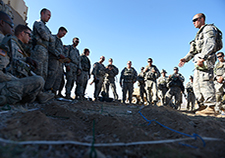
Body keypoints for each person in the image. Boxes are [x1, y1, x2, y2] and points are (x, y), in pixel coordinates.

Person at [0, 19, 53, 105]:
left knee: (38, 80)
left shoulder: (18, 45)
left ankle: (38, 94)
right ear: (22, 33)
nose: (30, 38)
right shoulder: (10, 42)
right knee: (39, 81)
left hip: (12, 81)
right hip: (7, 83)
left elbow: (13, 61)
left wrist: (26, 60)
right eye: (29, 35)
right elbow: (6, 68)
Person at [178, 13, 220, 115]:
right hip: (198, 62)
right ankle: (202, 106)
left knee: (205, 81)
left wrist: (203, 57)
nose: (193, 22)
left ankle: (211, 107)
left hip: (206, 60)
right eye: (192, 20)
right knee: (197, 84)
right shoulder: (198, 35)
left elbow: (210, 44)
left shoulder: (208, 29)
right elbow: (193, 51)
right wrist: (185, 59)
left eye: (195, 20)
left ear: (202, 19)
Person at [31, 8, 53, 81]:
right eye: (48, 15)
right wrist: (49, 36)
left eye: (50, 16)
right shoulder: (38, 23)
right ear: (42, 14)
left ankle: (40, 90)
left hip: (45, 50)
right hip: (39, 49)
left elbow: (52, 39)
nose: (49, 17)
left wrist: (49, 37)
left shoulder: (46, 27)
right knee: (38, 71)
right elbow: (46, 36)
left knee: (44, 72)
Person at [44, 27, 67, 93]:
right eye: (63, 33)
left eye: (64, 34)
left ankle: (54, 92)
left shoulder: (60, 42)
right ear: (59, 31)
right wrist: (58, 54)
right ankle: (46, 90)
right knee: (51, 74)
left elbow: (61, 52)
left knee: (58, 77)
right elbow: (50, 48)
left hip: (59, 62)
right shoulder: (53, 38)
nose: (63, 35)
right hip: (52, 60)